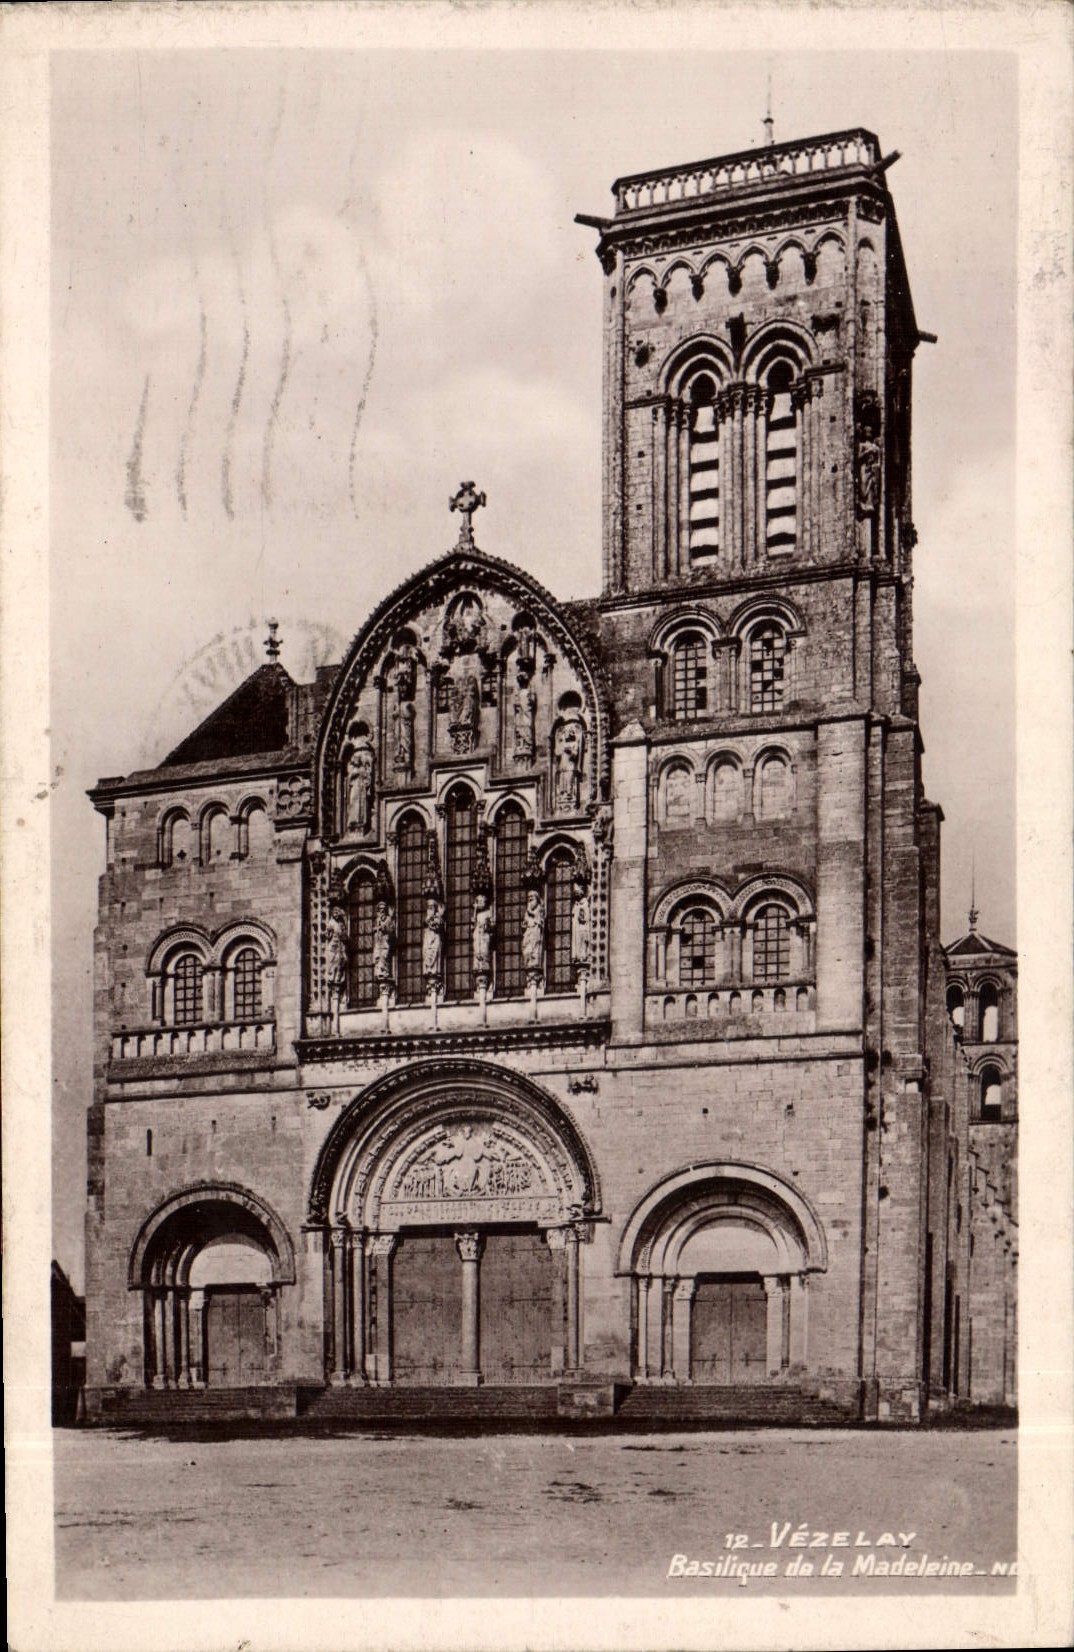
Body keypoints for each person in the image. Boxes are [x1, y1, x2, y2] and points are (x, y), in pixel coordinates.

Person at [521, 888, 545, 980]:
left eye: (532, 897)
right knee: (526, 947)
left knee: (534, 946)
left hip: (535, 931)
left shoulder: (539, 908)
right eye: (528, 897)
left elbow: (537, 917)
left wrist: (529, 910)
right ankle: (529, 962)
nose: (530, 899)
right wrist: (524, 925)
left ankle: (534, 963)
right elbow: (526, 921)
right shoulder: (528, 911)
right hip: (528, 931)